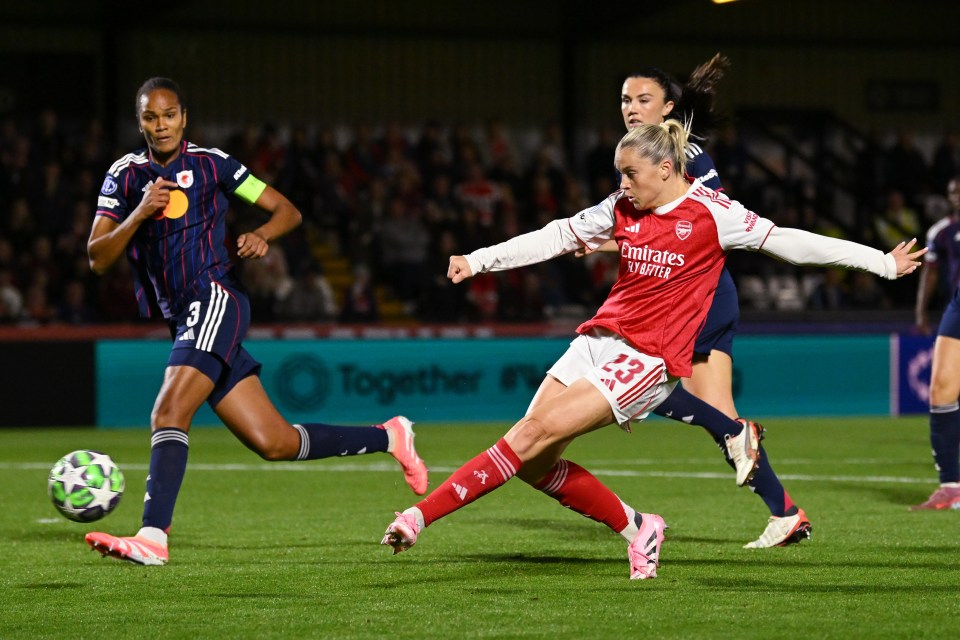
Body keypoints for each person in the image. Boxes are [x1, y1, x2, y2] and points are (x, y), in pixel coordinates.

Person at [381, 120, 924, 580]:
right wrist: (480, 259)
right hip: (596, 341)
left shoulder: (714, 213)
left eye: (630, 173)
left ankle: (417, 518)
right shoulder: (622, 207)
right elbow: (557, 234)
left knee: (526, 437)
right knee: (533, 463)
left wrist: (880, 262)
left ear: (666, 169)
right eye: (620, 173)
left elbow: (794, 242)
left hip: (647, 360)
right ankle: (639, 526)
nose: (622, 183)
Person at [83, 77, 428, 566]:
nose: (160, 125)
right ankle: (391, 435)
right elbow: (97, 258)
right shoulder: (124, 176)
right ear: (139, 121)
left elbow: (287, 210)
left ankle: (153, 536)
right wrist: (138, 213)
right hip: (182, 317)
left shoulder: (213, 164)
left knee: (168, 412)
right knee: (275, 442)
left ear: (184, 117)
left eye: (168, 115)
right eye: (149, 117)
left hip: (216, 297)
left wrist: (263, 235)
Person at [594, 54, 812, 548]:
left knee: (637, 389)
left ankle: (772, 491)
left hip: (698, 296)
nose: (631, 107)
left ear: (669, 106)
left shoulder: (689, 159)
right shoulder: (642, 157)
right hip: (685, 296)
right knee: (721, 416)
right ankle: (785, 512)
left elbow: (703, 228)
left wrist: (587, 240)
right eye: (626, 99)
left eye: (643, 99)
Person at [912, 176, 960, 510]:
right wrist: (921, 311)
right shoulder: (942, 232)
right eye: (953, 192)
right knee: (941, 388)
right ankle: (951, 486)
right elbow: (930, 273)